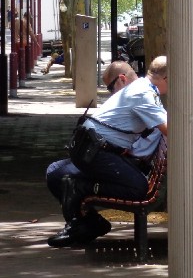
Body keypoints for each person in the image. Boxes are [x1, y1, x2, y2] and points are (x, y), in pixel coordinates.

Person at [47, 56, 170, 248]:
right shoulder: (143, 93)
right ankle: (80, 200)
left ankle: (86, 223)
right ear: (168, 77)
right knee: (137, 188)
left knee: (56, 171)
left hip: (97, 150)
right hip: (96, 151)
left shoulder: (143, 90)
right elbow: (169, 129)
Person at [45, 61, 141, 209]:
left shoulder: (139, 97)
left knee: (61, 176)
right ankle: (83, 222)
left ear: (122, 79)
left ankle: (80, 191)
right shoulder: (126, 99)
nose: (111, 93)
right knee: (55, 171)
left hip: (117, 159)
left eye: (110, 88)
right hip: (104, 155)